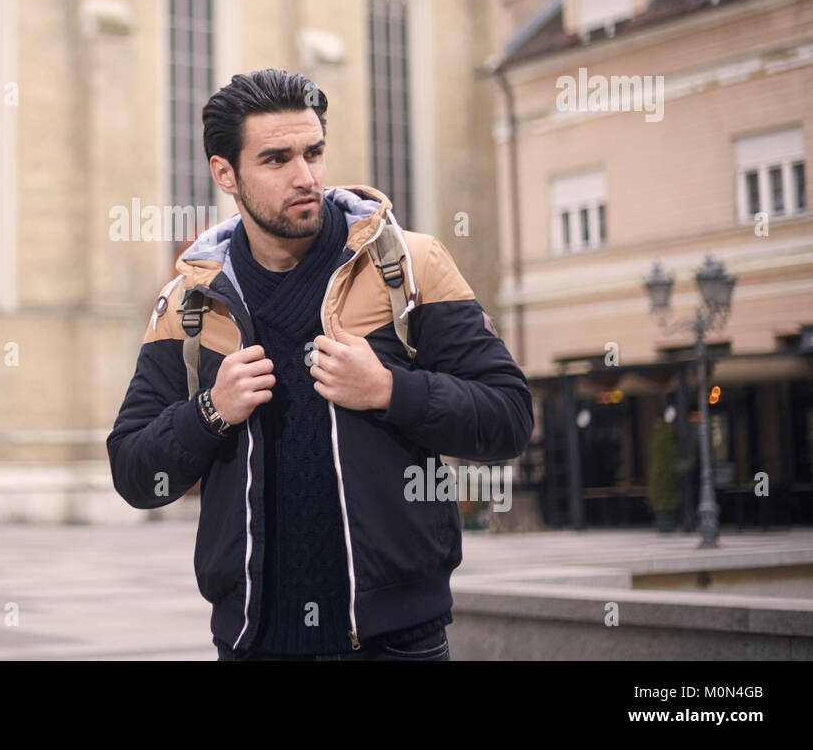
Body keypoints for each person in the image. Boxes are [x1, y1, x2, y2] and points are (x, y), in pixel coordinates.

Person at [106, 69, 533, 660]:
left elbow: (510, 418)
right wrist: (210, 411)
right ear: (225, 173)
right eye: (276, 159)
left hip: (396, 642)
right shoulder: (189, 302)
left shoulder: (413, 266)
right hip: (253, 643)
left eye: (314, 152)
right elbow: (133, 473)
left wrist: (391, 389)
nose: (305, 177)